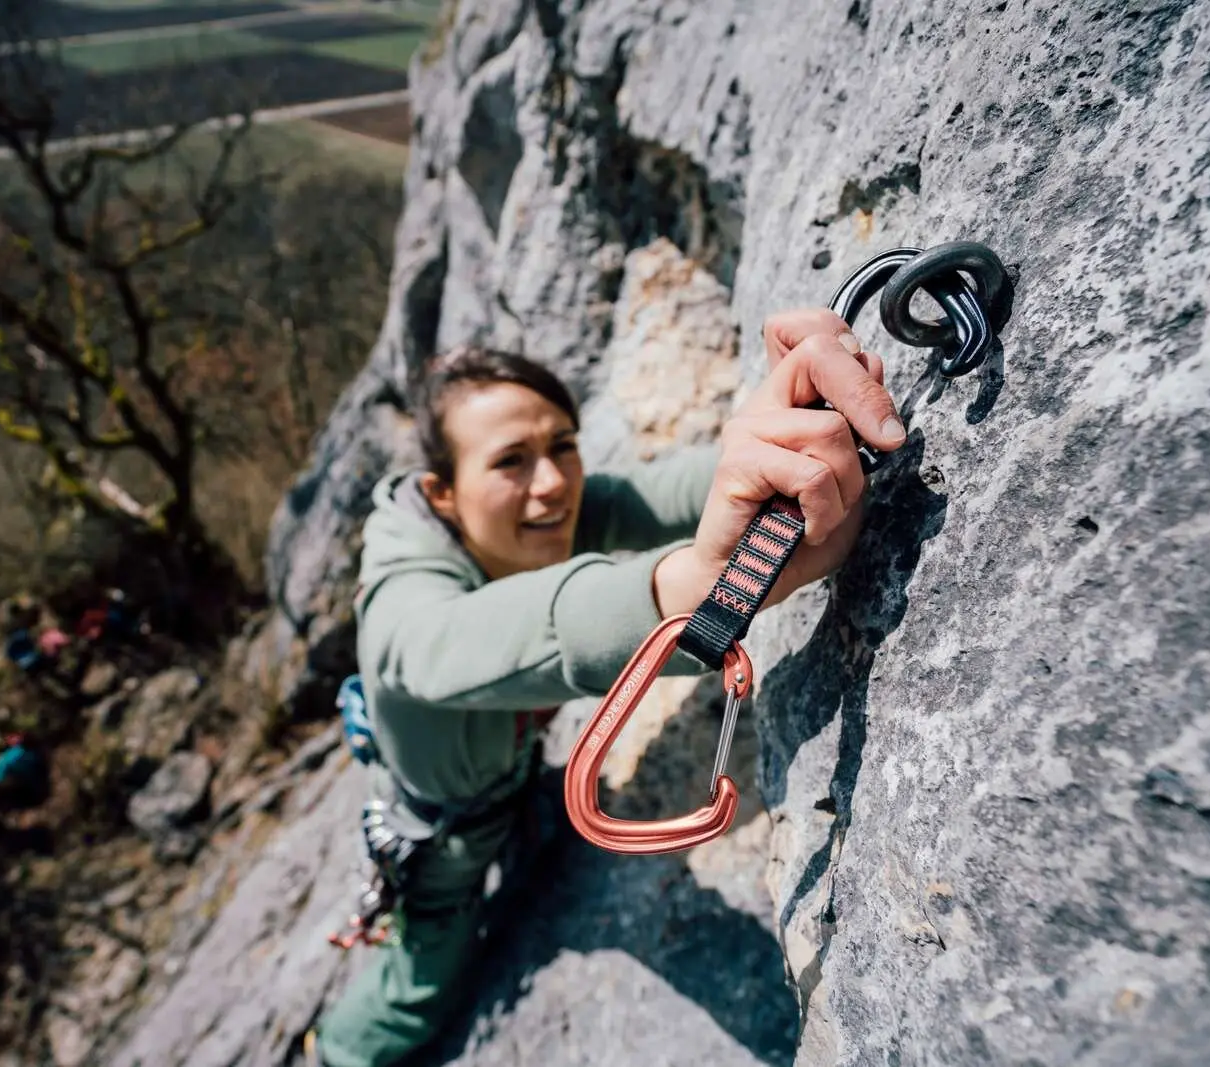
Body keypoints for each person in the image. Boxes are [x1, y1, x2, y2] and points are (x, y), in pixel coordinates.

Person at [304, 309, 905, 1067]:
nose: (551, 482)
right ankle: (335, 1053)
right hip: (446, 833)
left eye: (563, 445)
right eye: (510, 461)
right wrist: (695, 591)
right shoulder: (402, 600)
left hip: (510, 782)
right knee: (421, 981)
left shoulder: (546, 508)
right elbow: (447, 647)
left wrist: (787, 429)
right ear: (443, 492)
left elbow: (680, 488)